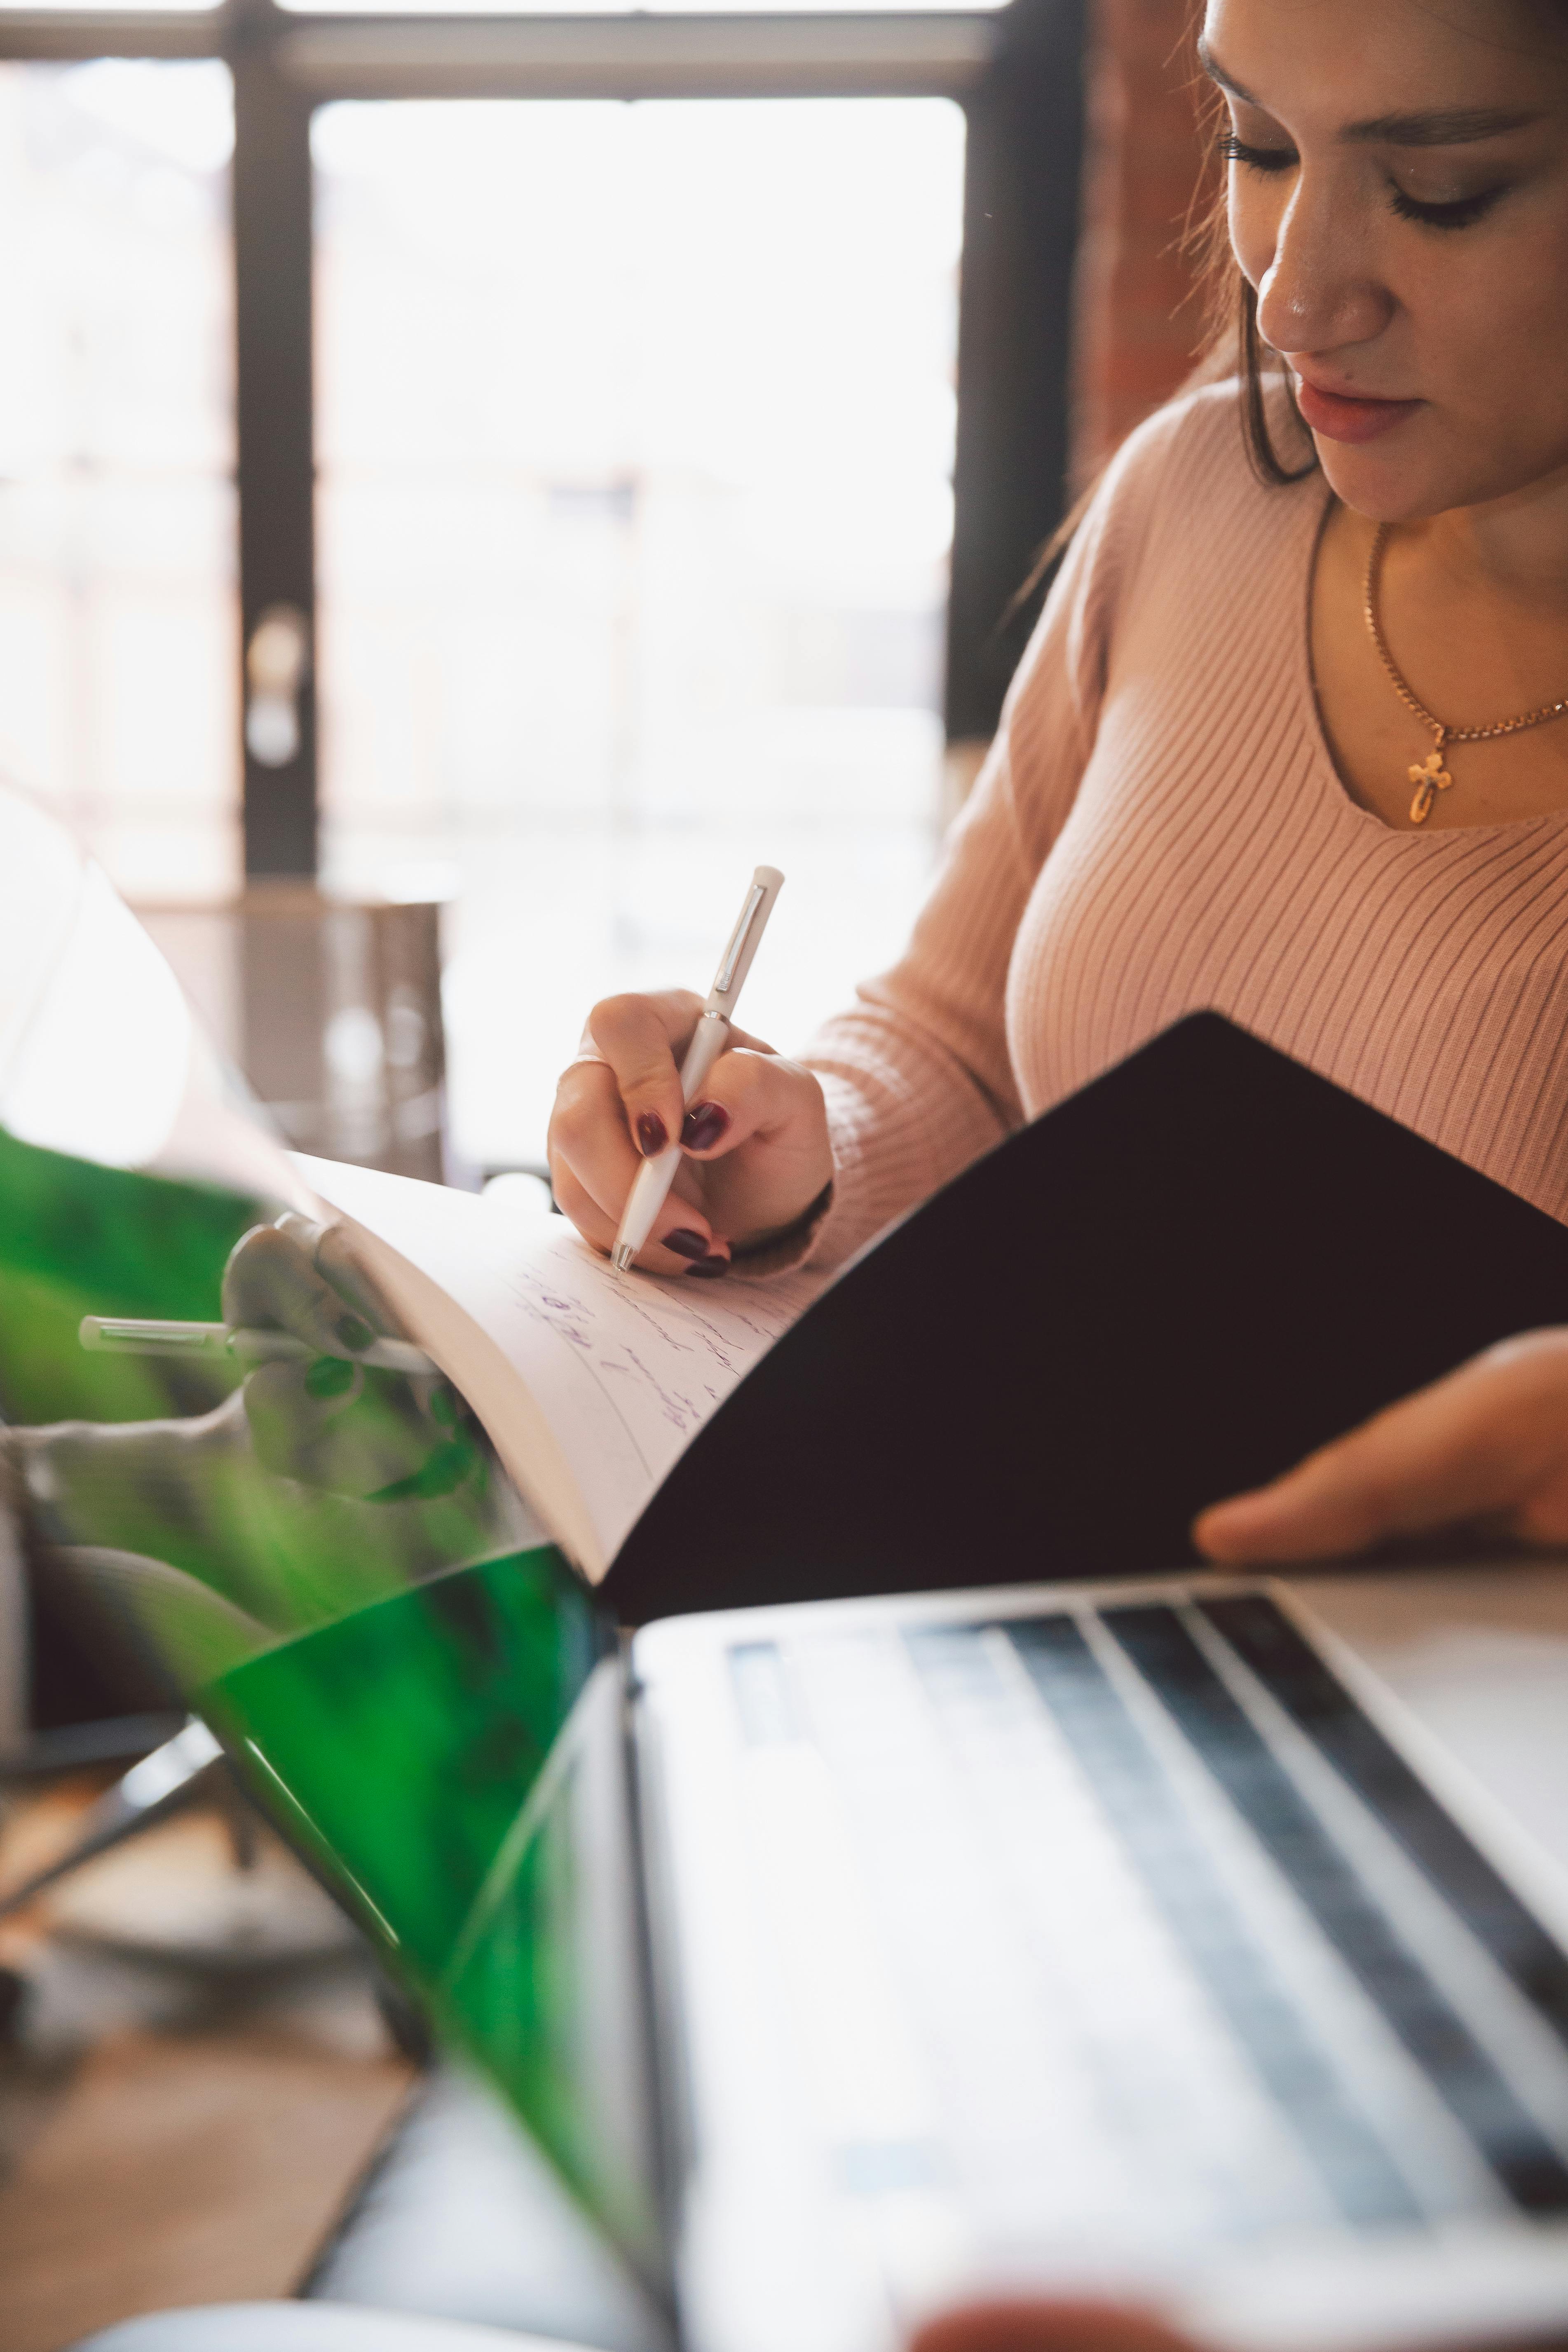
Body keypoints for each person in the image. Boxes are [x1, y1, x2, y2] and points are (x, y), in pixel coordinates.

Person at [549, 0, 1568, 2342]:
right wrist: (788, 1136)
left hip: (1459, 1858)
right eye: (1253, 148)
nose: (1304, 291)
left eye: (1444, 187)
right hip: (1029, 1748)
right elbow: (953, 1037)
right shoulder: (1200, 497)